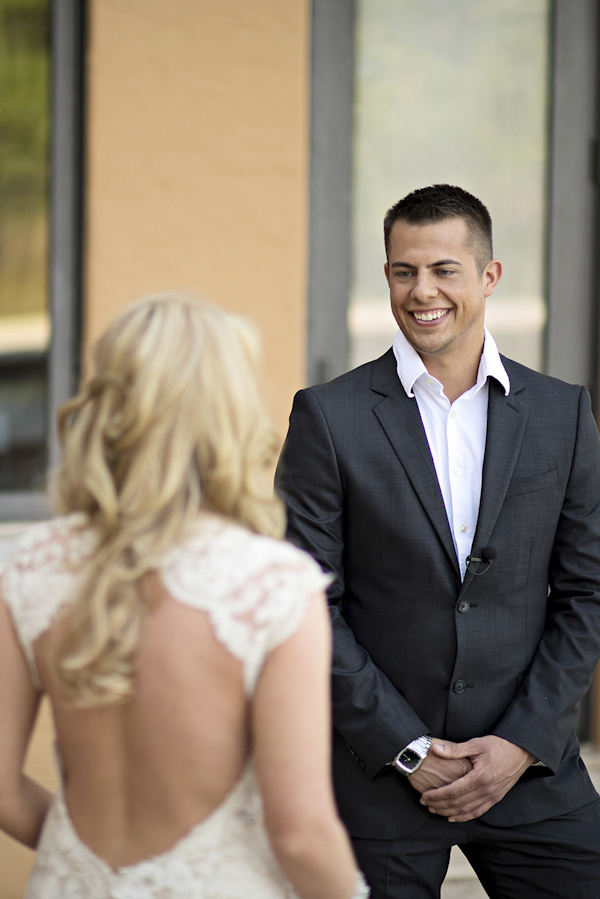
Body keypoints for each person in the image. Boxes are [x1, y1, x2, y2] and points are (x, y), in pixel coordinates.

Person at [275, 184, 600, 898]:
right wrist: (409, 749)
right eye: (402, 270)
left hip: (532, 771)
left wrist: (520, 743)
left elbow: (587, 592)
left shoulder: (563, 412)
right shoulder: (328, 417)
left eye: (444, 269)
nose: (421, 291)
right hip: (379, 778)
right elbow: (305, 604)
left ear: (489, 276)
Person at [0, 293, 370, 899]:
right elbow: (301, 833)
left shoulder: (33, 566)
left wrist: (83, 863)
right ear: (230, 412)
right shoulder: (273, 585)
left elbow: (3, 790)